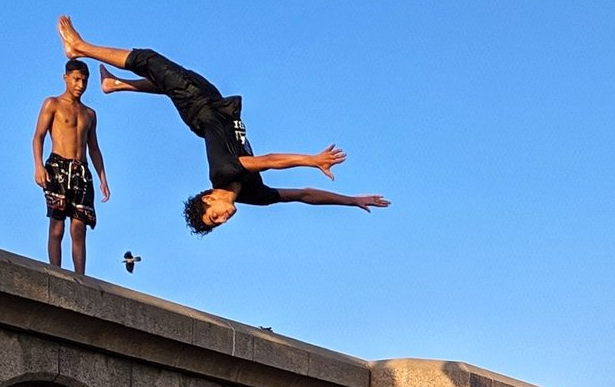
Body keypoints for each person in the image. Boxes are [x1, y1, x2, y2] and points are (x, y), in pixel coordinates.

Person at [55, 16, 388, 235]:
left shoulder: (224, 173)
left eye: (214, 216)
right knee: (168, 83)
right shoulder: (253, 196)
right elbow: (302, 195)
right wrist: (351, 200)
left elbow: (269, 160)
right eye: (218, 223)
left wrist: (312, 160)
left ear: (210, 198)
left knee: (149, 61)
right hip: (204, 114)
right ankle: (117, 85)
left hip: (203, 107)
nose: (224, 218)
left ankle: (80, 47)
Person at [33, 59, 110, 273]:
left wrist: (102, 177)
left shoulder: (89, 114)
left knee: (79, 227)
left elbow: (94, 148)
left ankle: (80, 277)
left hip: (81, 172)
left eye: (84, 81)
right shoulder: (53, 104)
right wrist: (38, 166)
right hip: (57, 166)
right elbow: (38, 136)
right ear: (65, 78)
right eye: (76, 79)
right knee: (57, 227)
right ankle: (56, 272)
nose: (80, 85)